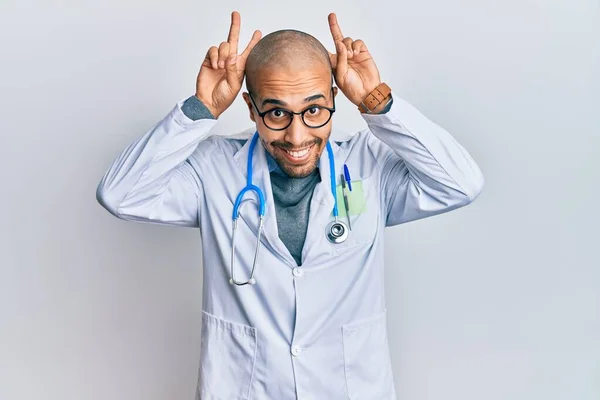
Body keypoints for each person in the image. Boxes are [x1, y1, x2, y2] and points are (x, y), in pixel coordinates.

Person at [97, 11, 484, 400]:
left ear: (335, 99)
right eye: (277, 112)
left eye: (314, 109)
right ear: (251, 109)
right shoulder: (213, 171)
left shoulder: (369, 166)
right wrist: (202, 109)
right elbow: (120, 193)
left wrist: (377, 101)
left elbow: (461, 184)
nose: (297, 136)